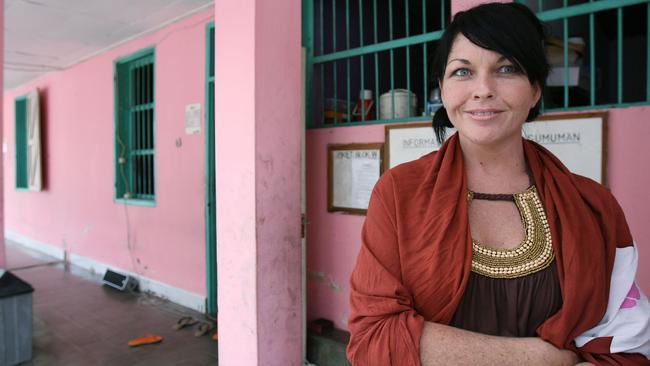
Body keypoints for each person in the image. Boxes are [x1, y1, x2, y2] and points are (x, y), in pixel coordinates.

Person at [346, 2, 650, 366]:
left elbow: (628, 350)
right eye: (462, 72)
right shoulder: (398, 193)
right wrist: (550, 358)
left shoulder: (593, 205)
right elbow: (374, 339)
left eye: (507, 68)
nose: (483, 89)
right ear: (442, 88)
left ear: (535, 89)